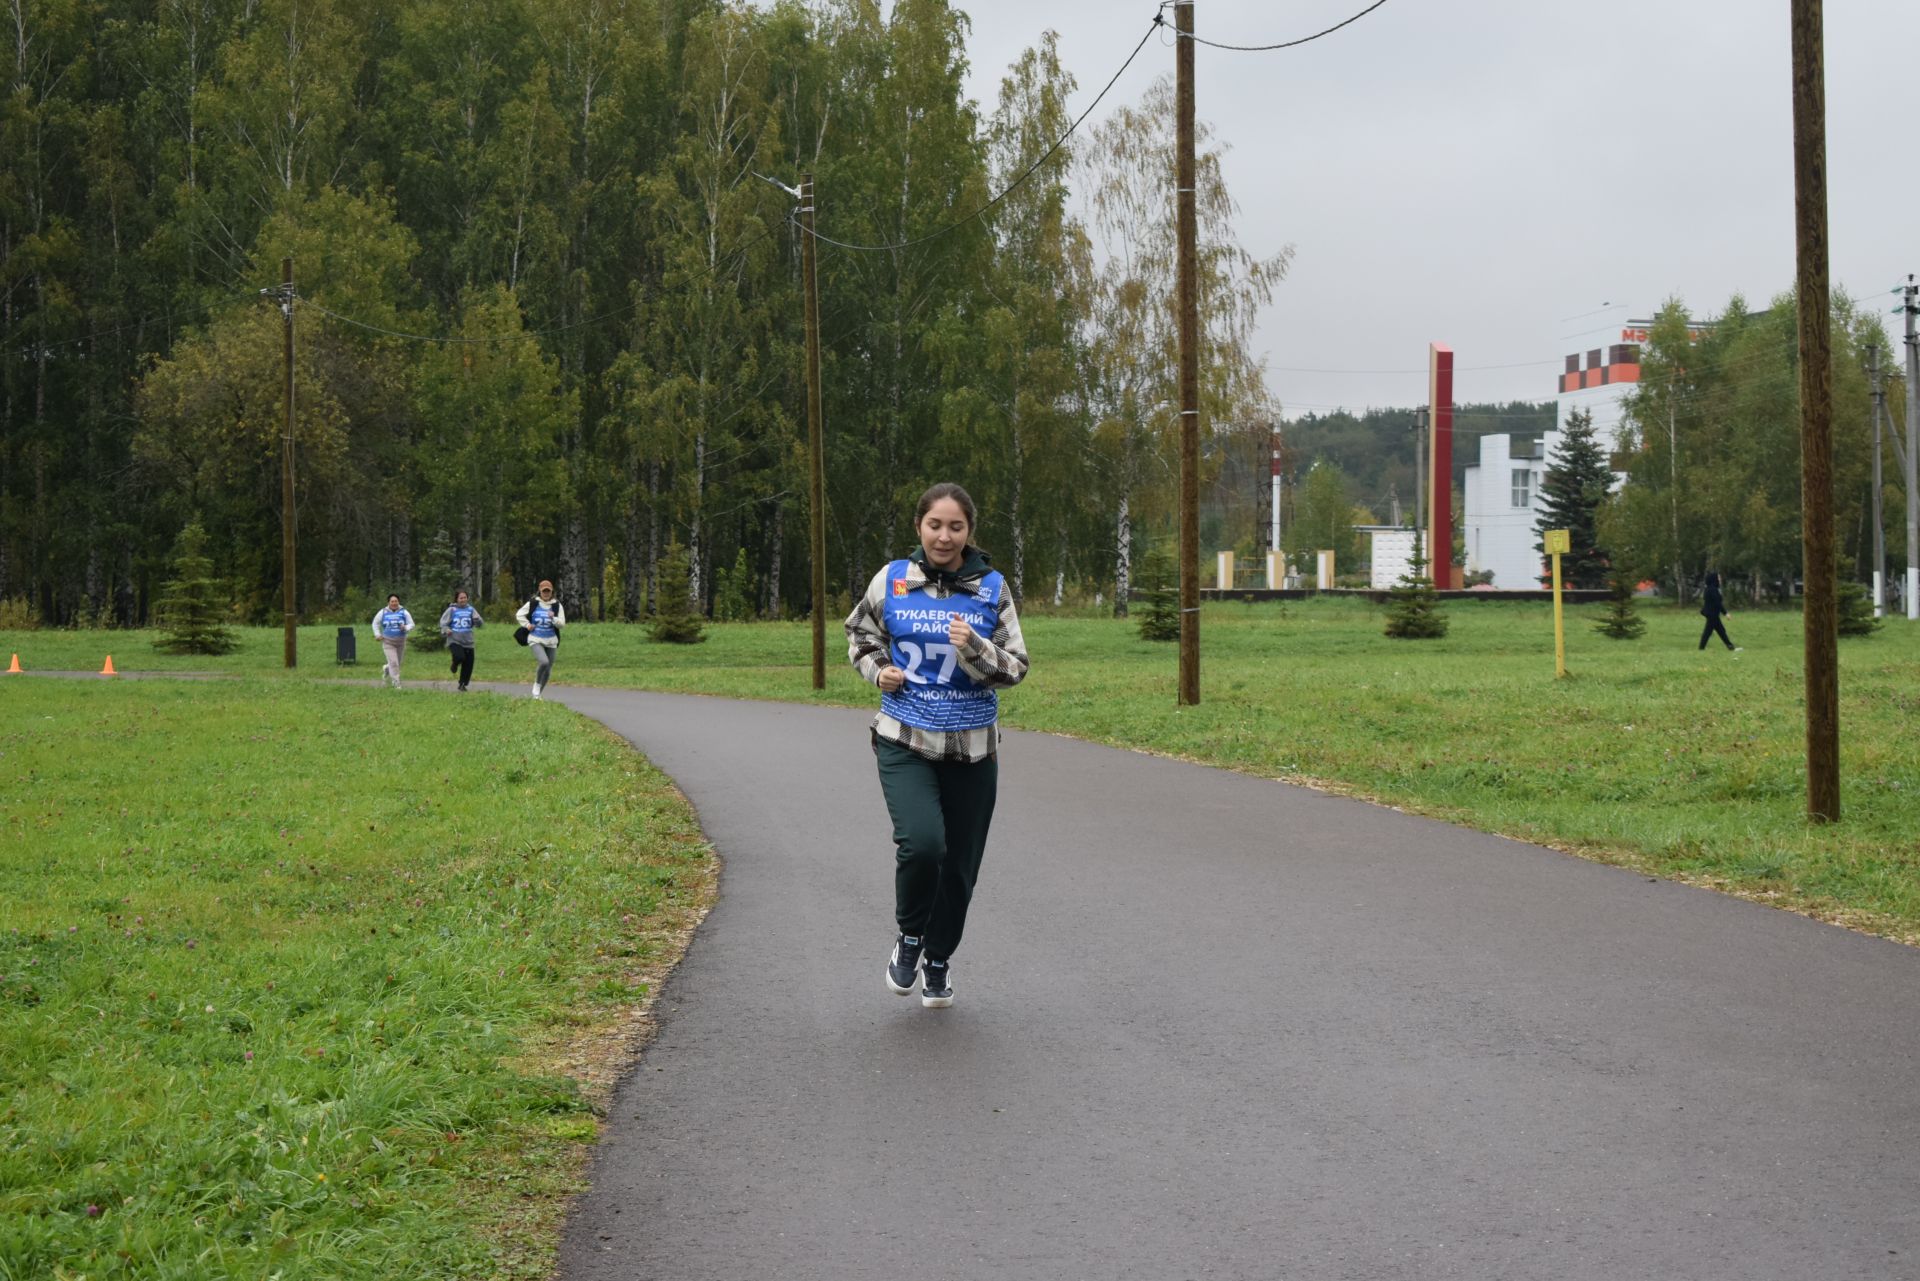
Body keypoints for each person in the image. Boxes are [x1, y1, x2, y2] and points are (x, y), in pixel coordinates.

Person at [845, 482, 1029, 1009]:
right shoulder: (893, 581)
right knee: (924, 844)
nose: (944, 537)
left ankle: (939, 961)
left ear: (970, 532)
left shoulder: (991, 589)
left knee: (961, 866)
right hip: (905, 738)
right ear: (919, 527)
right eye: (934, 525)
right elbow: (860, 633)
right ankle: (909, 938)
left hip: (974, 750)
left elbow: (1015, 668)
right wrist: (879, 670)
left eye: (955, 526)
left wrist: (974, 647)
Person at [515, 580, 565, 699]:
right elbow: (519, 614)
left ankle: (537, 696)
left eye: (548, 591)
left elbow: (562, 624)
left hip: (551, 639)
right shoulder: (533, 603)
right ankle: (536, 685)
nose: (546, 593)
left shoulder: (556, 605)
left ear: (552, 591)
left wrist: (553, 619)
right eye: (544, 591)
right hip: (535, 638)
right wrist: (527, 625)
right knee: (544, 662)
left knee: (548, 670)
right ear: (540, 591)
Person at [439, 589, 484, 691]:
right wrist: (446, 630)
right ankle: (454, 664)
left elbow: (480, 624)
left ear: (467, 598)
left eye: (465, 597)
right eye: (461, 598)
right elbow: (443, 623)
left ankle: (462, 684)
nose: (463, 600)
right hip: (454, 640)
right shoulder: (452, 610)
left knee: (468, 664)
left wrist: (477, 620)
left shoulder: (471, 610)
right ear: (457, 599)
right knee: (459, 656)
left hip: (468, 641)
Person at [371, 594, 415, 687]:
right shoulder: (383, 612)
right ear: (388, 603)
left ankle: (386, 668)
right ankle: (396, 683)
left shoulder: (404, 612)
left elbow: (412, 624)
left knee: (397, 663)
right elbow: (375, 623)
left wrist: (406, 627)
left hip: (401, 642)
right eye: (392, 601)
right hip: (388, 642)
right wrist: (377, 634)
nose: (394, 603)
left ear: (398, 602)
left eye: (396, 601)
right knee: (394, 663)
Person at [1699, 570, 1740, 652]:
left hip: (1712, 614)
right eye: (1718, 577)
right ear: (1714, 579)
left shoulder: (1709, 589)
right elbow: (1718, 603)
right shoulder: (1713, 590)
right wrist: (1726, 613)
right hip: (1712, 614)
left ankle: (1730, 646)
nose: (1720, 579)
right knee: (1709, 632)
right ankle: (1701, 648)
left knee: (1720, 631)